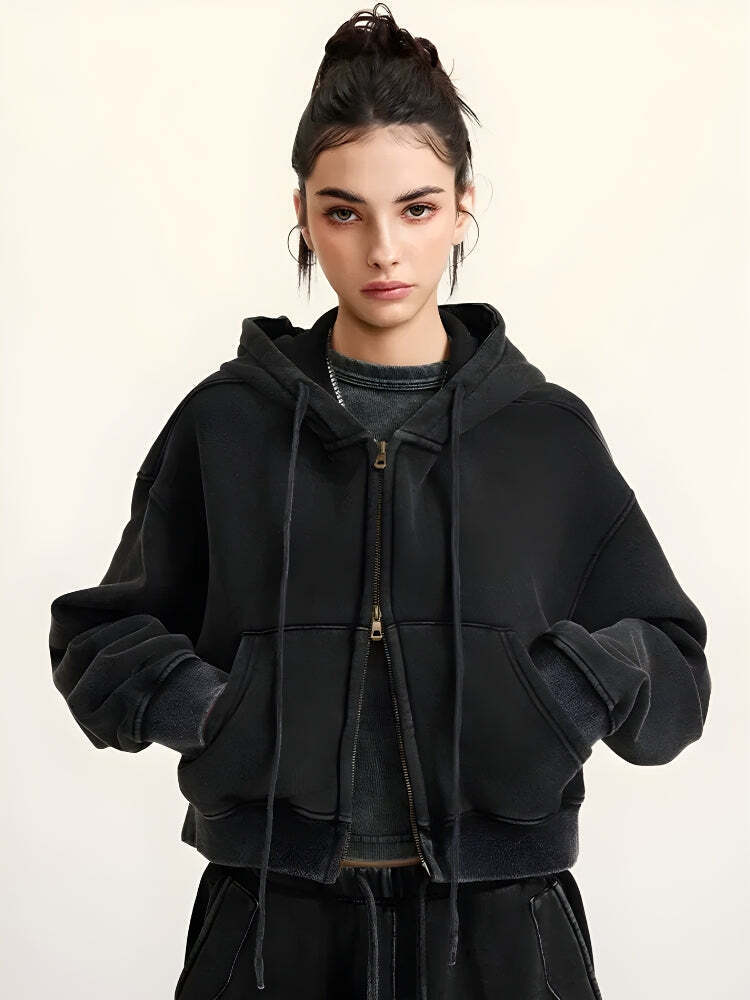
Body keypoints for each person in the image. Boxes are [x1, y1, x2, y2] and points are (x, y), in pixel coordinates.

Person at [48, 5, 711, 999]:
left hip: (501, 927)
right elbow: (100, 636)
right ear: (304, 214)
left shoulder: (544, 433)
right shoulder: (228, 424)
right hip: (271, 924)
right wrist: (215, 711)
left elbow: (674, 657)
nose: (384, 250)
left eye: (417, 207)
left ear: (463, 207)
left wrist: (564, 693)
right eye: (345, 212)